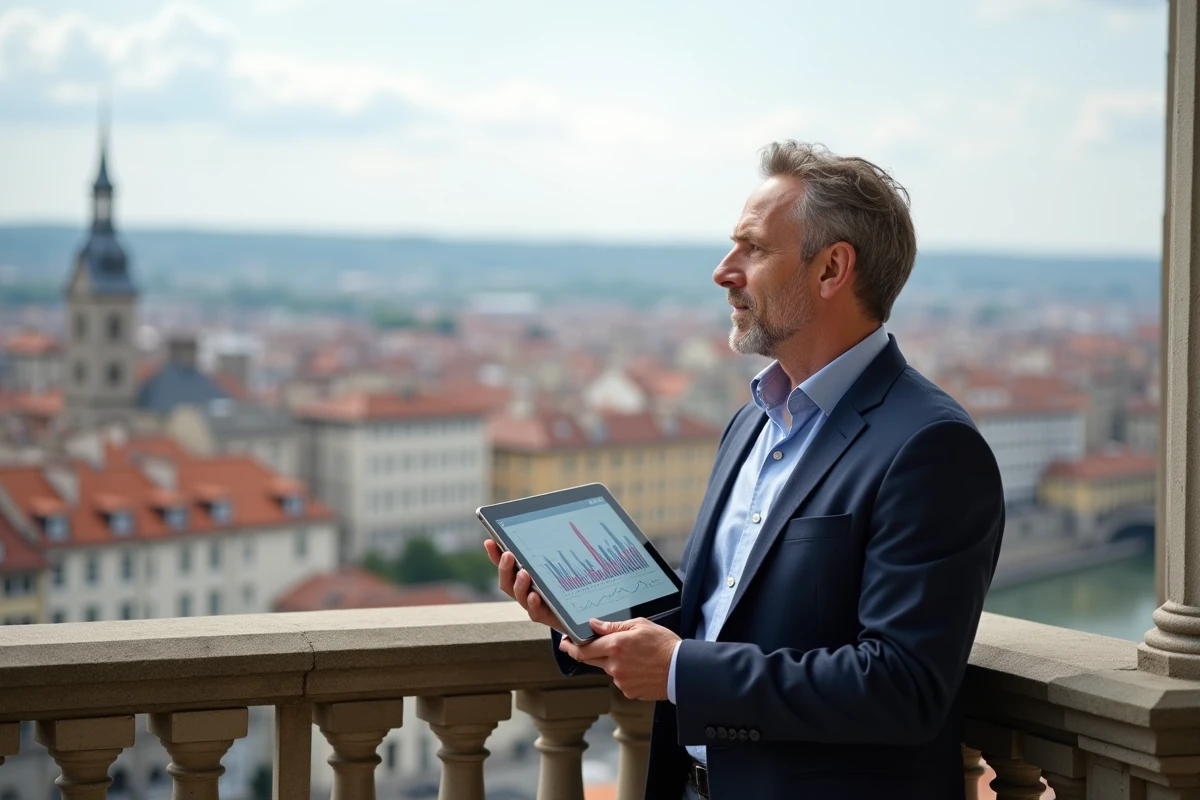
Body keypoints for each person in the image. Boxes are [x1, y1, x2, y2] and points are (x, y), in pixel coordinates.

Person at [485, 140, 1005, 800]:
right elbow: (719, 623)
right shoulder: (752, 421)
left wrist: (678, 670)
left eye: (752, 249)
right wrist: (586, 621)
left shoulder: (931, 445)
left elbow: (902, 687)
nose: (722, 271)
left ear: (831, 269)